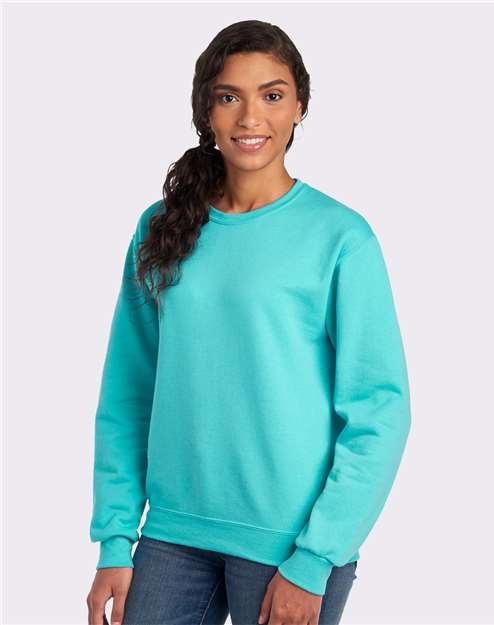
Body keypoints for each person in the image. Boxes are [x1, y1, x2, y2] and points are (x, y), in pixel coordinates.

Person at [86, 19, 412, 625]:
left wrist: (315, 557)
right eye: (229, 96)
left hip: (289, 545)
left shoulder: (341, 238)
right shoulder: (161, 227)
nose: (250, 117)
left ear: (299, 107)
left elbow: (379, 411)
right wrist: (114, 537)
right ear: (206, 110)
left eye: (272, 94)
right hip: (172, 536)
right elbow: (128, 394)